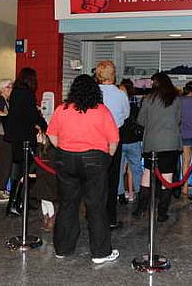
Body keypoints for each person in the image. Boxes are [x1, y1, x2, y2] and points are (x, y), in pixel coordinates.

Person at [47, 74, 120, 264]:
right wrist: (106, 158)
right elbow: (113, 141)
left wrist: (66, 149)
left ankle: (62, 249)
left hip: (66, 159)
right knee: (96, 206)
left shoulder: (61, 109)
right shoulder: (101, 110)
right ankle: (100, 253)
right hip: (94, 159)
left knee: (67, 205)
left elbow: (52, 137)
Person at [135, 72, 182, 222]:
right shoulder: (175, 99)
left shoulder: (148, 99)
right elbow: (178, 119)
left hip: (152, 144)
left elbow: (141, 121)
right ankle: (162, 213)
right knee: (166, 179)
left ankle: (141, 208)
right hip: (170, 144)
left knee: (147, 176)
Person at [4, 67, 47, 216]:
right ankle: (18, 202)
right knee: (27, 171)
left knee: (20, 171)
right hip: (25, 138)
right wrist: (43, 124)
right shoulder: (27, 94)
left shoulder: (15, 92)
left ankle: (16, 202)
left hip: (15, 138)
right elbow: (32, 115)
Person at [95, 60, 130, 230]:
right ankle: (110, 218)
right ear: (113, 74)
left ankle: (93, 214)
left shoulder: (93, 93)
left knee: (95, 179)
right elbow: (126, 115)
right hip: (114, 137)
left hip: (94, 139)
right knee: (112, 178)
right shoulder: (120, 94)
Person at [117, 79, 143, 203]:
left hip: (120, 141)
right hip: (134, 141)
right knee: (136, 168)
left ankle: (120, 194)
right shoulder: (135, 105)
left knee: (119, 169)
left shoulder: (117, 106)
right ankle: (139, 192)